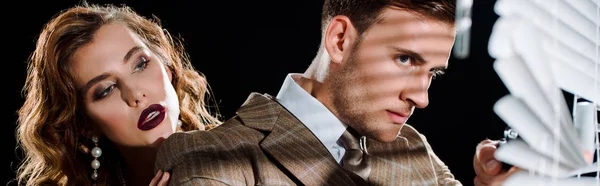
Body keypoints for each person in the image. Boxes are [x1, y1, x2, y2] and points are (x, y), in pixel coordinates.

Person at [155, 0, 468, 185]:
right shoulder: (212, 156)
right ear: (340, 40)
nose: (421, 98)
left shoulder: (412, 146)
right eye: (404, 59)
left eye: (433, 73)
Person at [14, 3, 221, 186]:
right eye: (106, 90)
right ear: (85, 124)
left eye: (140, 64)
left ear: (167, 67)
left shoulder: (245, 157)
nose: (135, 94)